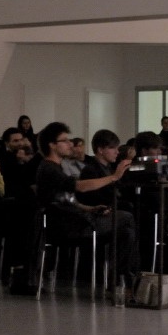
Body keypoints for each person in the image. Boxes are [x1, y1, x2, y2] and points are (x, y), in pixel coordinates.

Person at [34, 122, 138, 291]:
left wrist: (90, 208)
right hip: (66, 226)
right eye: (65, 140)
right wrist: (114, 176)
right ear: (52, 145)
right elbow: (80, 187)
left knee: (127, 232)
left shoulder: (56, 167)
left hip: (74, 219)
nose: (70, 144)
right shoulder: (49, 168)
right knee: (127, 216)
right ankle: (124, 279)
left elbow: (66, 200)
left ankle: (119, 280)